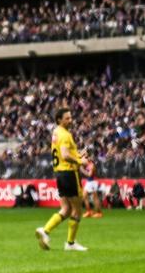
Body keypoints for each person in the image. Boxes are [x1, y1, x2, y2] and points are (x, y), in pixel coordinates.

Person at [35, 107, 88, 252]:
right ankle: (70, 243)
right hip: (69, 174)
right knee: (77, 210)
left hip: (59, 174)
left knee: (65, 209)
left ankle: (45, 231)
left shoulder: (56, 133)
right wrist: (80, 161)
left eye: (71, 117)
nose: (70, 120)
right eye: (67, 118)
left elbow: (63, 152)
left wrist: (78, 154)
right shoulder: (65, 135)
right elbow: (65, 155)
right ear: (59, 120)